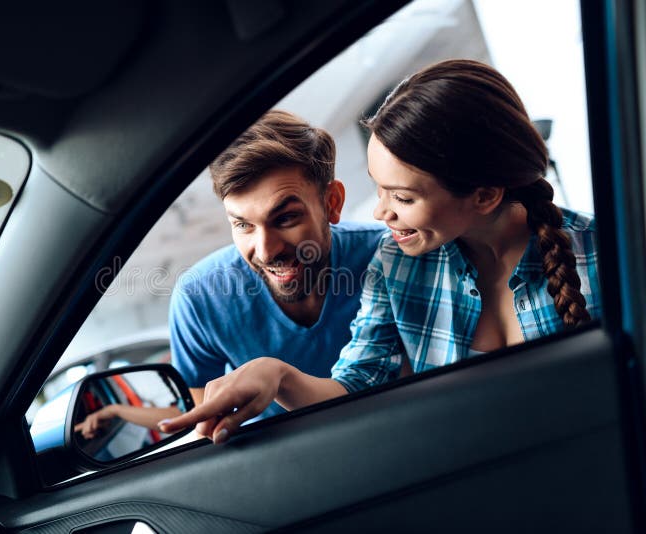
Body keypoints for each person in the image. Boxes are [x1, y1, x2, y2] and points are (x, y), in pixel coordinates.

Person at [160, 59, 601, 444]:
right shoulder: (393, 266)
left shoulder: (603, 253)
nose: (379, 213)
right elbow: (353, 386)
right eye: (379, 188)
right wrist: (276, 374)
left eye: (403, 198)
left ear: (484, 195)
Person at [169, 109, 384, 420]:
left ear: (331, 203)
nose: (267, 251)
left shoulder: (387, 257)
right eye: (243, 225)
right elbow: (205, 417)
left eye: (285, 218)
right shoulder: (198, 298)